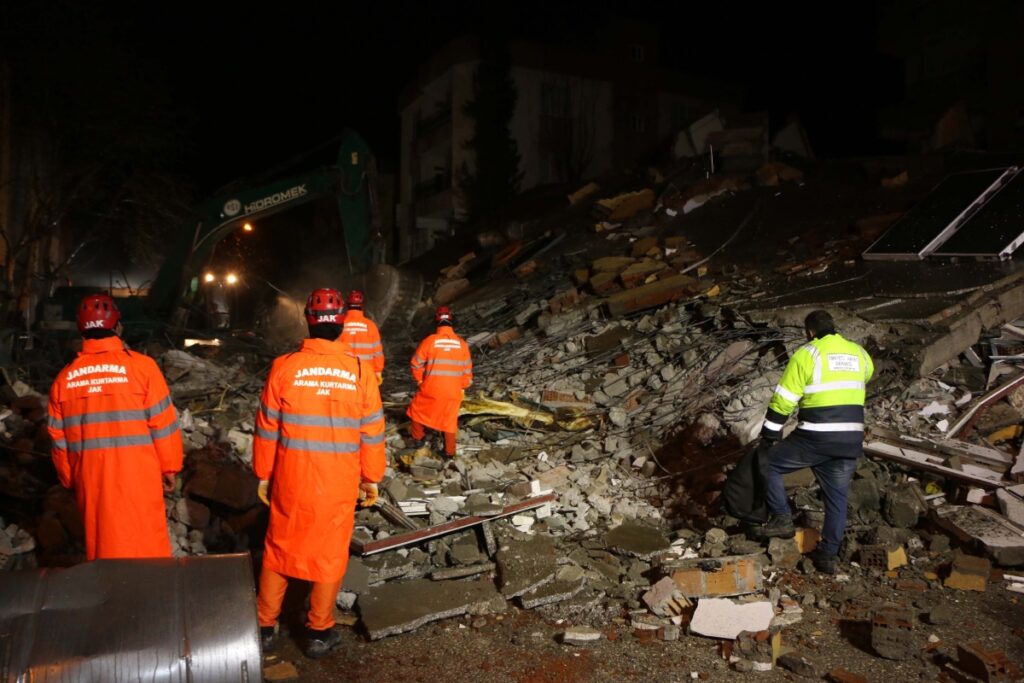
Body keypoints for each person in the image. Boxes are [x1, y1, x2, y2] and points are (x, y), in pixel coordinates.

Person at [253, 288, 386, 659]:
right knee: (329, 555)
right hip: (338, 483)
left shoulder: (284, 366)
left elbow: (266, 428)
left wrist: (264, 473)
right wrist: (371, 477)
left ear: (309, 321)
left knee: (279, 549)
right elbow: (372, 431)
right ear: (342, 322)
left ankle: (264, 626)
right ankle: (318, 632)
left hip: (290, 478)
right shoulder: (360, 371)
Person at [47, 293, 182, 560]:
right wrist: (170, 467)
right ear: (117, 326)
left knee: (103, 546)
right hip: (139, 476)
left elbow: (58, 440)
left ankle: (111, 598)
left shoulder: (64, 380)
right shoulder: (143, 368)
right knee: (147, 548)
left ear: (80, 329)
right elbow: (163, 425)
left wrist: (70, 478)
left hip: (92, 479)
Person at [751, 310, 874, 574]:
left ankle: (782, 518)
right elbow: (865, 378)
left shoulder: (807, 354)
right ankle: (828, 556)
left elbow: (784, 398)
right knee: (837, 499)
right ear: (834, 327)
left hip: (816, 436)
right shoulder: (860, 354)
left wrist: (770, 435)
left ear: (809, 332)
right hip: (850, 438)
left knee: (769, 464)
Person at [406, 305, 472, 458]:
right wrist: (463, 387)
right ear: (451, 321)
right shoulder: (461, 344)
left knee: (415, 411)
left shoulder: (430, 341)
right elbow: (467, 370)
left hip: (432, 388)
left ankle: (418, 439)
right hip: (453, 390)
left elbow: (415, 363)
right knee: (449, 420)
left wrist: (420, 380)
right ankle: (449, 452)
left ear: (436, 322)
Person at [341, 290, 385, 384]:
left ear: (347, 305)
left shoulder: (340, 325)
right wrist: (378, 371)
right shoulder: (371, 326)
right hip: (366, 374)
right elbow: (377, 352)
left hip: (344, 373)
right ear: (362, 306)